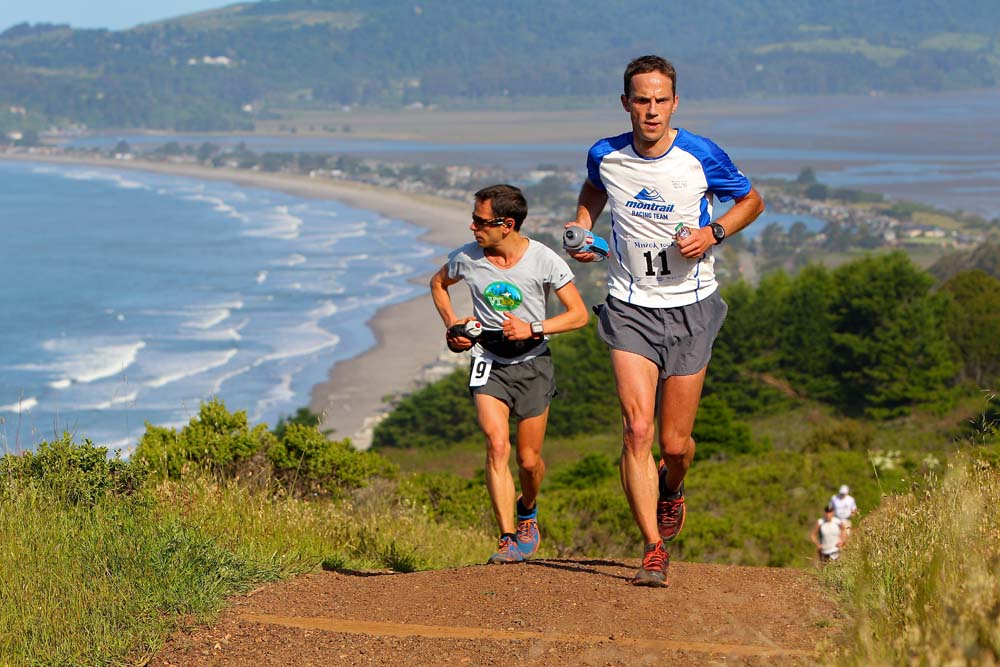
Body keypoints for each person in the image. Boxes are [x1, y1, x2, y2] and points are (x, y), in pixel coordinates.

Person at [566, 55, 765, 587]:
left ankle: (672, 486)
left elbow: (751, 201)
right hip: (629, 305)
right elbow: (594, 188)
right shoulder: (605, 154)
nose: (651, 110)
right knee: (637, 429)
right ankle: (653, 548)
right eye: (641, 100)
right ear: (625, 103)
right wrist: (583, 226)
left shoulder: (701, 155)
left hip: (691, 306)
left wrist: (713, 233)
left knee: (675, 445)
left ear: (675, 103)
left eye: (660, 100)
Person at [430, 184, 588, 564]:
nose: (472, 227)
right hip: (487, 360)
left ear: (507, 224)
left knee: (528, 461)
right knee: (497, 446)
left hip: (533, 362)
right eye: (473, 219)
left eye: (480, 221)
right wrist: (453, 325)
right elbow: (438, 284)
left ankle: (527, 509)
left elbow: (579, 315)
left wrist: (534, 328)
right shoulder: (467, 258)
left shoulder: (543, 259)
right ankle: (506, 538)